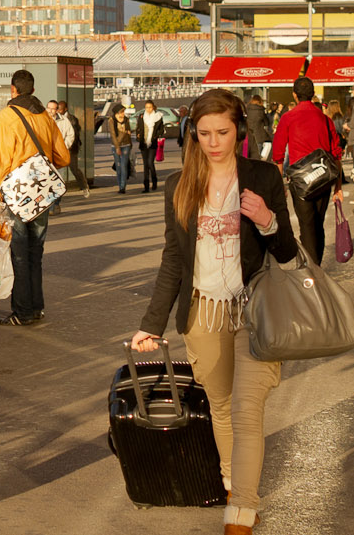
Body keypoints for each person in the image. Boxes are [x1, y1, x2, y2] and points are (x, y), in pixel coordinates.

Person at [129, 88, 297, 535]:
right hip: (203, 311)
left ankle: (241, 507)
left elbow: (286, 252)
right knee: (221, 406)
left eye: (222, 131)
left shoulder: (262, 178)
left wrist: (267, 221)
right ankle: (231, 480)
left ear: (238, 129)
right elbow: (172, 260)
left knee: (246, 408)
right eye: (204, 133)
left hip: (255, 310)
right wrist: (151, 324)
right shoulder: (178, 185)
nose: (214, 141)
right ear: (192, 134)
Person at [0, 69, 69, 326]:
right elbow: (64, 157)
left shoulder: (7, 115)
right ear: (32, 90)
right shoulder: (45, 115)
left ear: (13, 89)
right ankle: (36, 307)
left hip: (17, 192)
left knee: (19, 253)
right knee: (36, 251)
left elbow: (1, 159)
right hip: (41, 192)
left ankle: (22, 312)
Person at [269, 78, 344, 265]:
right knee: (318, 225)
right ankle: (315, 264)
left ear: (294, 94)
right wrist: (338, 187)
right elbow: (336, 154)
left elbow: (278, 155)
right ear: (313, 94)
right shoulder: (325, 119)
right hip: (323, 178)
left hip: (301, 182)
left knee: (306, 226)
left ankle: (311, 269)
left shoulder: (288, 117)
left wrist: (280, 186)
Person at [50, 100, 90, 198]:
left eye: (60, 109)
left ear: (65, 109)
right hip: (58, 151)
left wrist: (66, 145)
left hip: (71, 149)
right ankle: (57, 196)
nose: (58, 111)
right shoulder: (52, 119)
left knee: (74, 169)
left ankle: (84, 186)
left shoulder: (71, 119)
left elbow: (74, 134)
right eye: (57, 109)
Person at [137, 101, 165, 194]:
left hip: (153, 143)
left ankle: (154, 180)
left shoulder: (158, 117)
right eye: (146, 107)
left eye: (150, 107)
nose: (148, 109)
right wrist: (138, 135)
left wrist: (155, 136)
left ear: (153, 107)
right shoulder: (141, 116)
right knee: (145, 165)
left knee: (150, 163)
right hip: (143, 143)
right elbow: (138, 127)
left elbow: (161, 130)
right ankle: (146, 186)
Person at [110, 106, 135, 194]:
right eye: (121, 112)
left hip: (126, 145)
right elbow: (113, 134)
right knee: (118, 166)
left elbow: (128, 133)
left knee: (124, 166)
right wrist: (117, 147)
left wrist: (130, 143)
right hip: (115, 145)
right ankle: (120, 185)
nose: (123, 114)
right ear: (117, 113)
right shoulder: (112, 121)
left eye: (123, 112)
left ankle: (122, 187)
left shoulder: (126, 120)